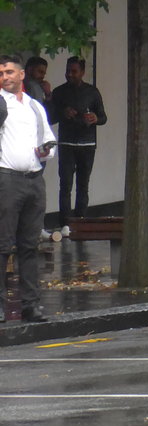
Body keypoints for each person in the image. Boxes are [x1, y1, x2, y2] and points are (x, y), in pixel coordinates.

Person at [0, 54, 56, 323]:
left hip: (34, 179)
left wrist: (45, 150)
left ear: (22, 75)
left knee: (29, 246)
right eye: (1, 73)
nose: (5, 77)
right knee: (3, 244)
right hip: (7, 178)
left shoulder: (34, 106)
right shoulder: (1, 103)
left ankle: (31, 305)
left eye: (10, 72)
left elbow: (48, 139)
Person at [50, 56, 107, 230]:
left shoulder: (92, 92)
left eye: (74, 71)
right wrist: (62, 113)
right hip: (66, 143)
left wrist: (95, 118)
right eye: (68, 71)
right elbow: (50, 118)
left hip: (87, 145)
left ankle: (80, 222)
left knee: (83, 185)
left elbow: (104, 117)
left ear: (82, 72)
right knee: (65, 184)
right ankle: (65, 224)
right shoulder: (59, 92)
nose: (70, 74)